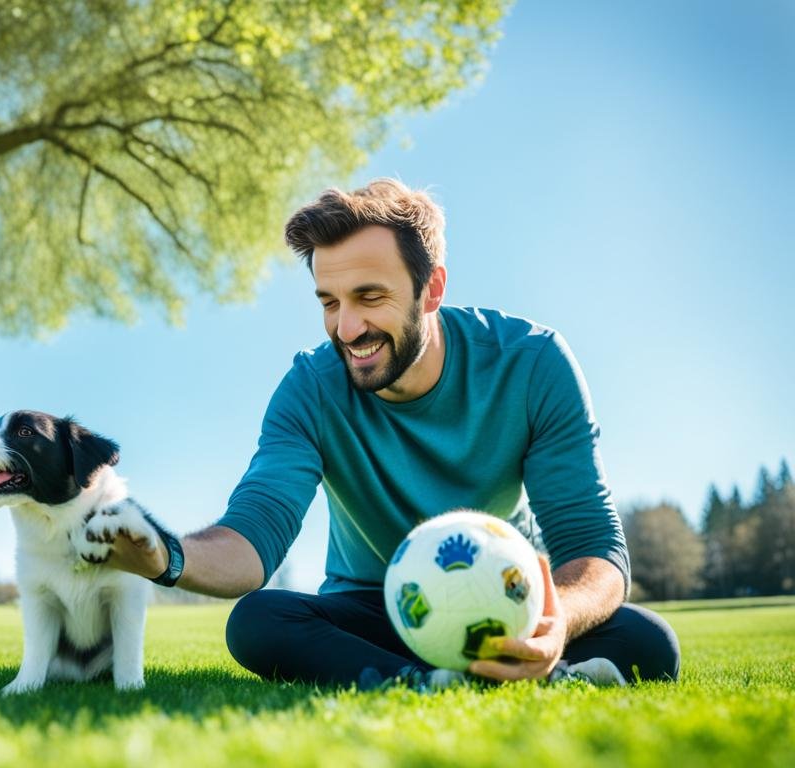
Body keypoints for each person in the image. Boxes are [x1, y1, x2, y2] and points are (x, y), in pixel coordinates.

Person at [96, 179, 680, 689]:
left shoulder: (533, 363)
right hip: (368, 612)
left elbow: (594, 546)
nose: (346, 328)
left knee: (649, 643)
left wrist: (555, 623)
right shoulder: (309, 388)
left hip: (500, 602)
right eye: (329, 302)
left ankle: (515, 667)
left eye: (369, 298)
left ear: (432, 289)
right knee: (258, 620)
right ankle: (433, 685)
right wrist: (166, 554)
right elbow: (255, 535)